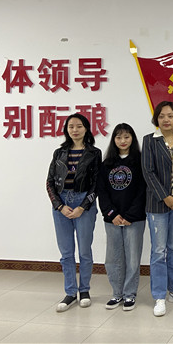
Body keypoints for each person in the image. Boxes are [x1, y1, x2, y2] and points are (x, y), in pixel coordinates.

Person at [142, 101, 173, 317]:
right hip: (157, 205)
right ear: (156, 118)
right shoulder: (149, 140)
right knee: (158, 250)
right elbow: (148, 171)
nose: (166, 120)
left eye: (170, 116)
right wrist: (165, 197)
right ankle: (159, 296)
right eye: (162, 116)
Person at [46, 113, 101, 312]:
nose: (75, 130)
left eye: (79, 126)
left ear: (86, 129)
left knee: (84, 251)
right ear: (66, 130)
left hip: (83, 202)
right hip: (62, 204)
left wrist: (82, 207)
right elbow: (49, 182)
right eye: (71, 127)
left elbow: (97, 185)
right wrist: (59, 206)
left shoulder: (94, 153)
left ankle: (84, 290)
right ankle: (70, 292)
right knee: (66, 252)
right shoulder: (59, 153)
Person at [97, 123, 146, 311]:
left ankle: (129, 294)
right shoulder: (106, 164)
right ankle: (117, 293)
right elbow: (102, 191)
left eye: (126, 137)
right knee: (113, 258)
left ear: (132, 138)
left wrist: (130, 215)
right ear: (114, 140)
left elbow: (143, 191)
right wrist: (112, 214)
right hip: (112, 219)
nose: (123, 141)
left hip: (134, 218)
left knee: (133, 258)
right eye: (118, 137)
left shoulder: (140, 161)